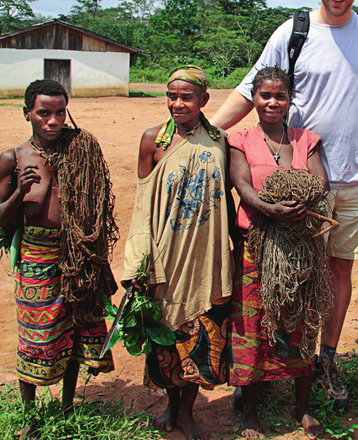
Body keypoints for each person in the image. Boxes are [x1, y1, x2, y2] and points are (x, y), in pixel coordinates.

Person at [210, 0, 358, 407]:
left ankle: (325, 360)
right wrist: (203, 136)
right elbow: (250, 89)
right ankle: (273, 359)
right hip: (300, 178)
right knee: (285, 268)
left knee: (338, 271)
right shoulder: (293, 32)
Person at [122, 65, 235, 440]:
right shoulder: (152, 140)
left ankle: (187, 412)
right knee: (167, 339)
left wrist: (235, 245)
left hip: (208, 258)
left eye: (186, 96)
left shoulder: (219, 139)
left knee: (203, 339)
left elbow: (229, 201)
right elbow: (142, 204)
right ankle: (172, 405)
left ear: (204, 99)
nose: (177, 103)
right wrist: (139, 260)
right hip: (167, 256)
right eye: (172, 96)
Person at [0, 79, 115, 413]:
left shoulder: (80, 148)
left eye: (60, 112)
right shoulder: (14, 158)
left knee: (75, 332)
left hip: (77, 256)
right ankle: (29, 414)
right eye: (44, 113)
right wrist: (20, 191)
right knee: (35, 335)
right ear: (27, 113)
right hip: (36, 258)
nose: (53, 121)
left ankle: (66, 406)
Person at [228, 67, 328, 439]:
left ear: (290, 99)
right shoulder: (240, 139)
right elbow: (242, 184)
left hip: (302, 249)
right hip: (257, 247)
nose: (273, 102)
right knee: (252, 328)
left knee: (302, 323)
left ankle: (302, 408)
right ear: (253, 98)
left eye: (280, 96)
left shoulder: (306, 139)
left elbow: (321, 182)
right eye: (265, 95)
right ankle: (250, 411)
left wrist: (302, 198)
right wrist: (269, 209)